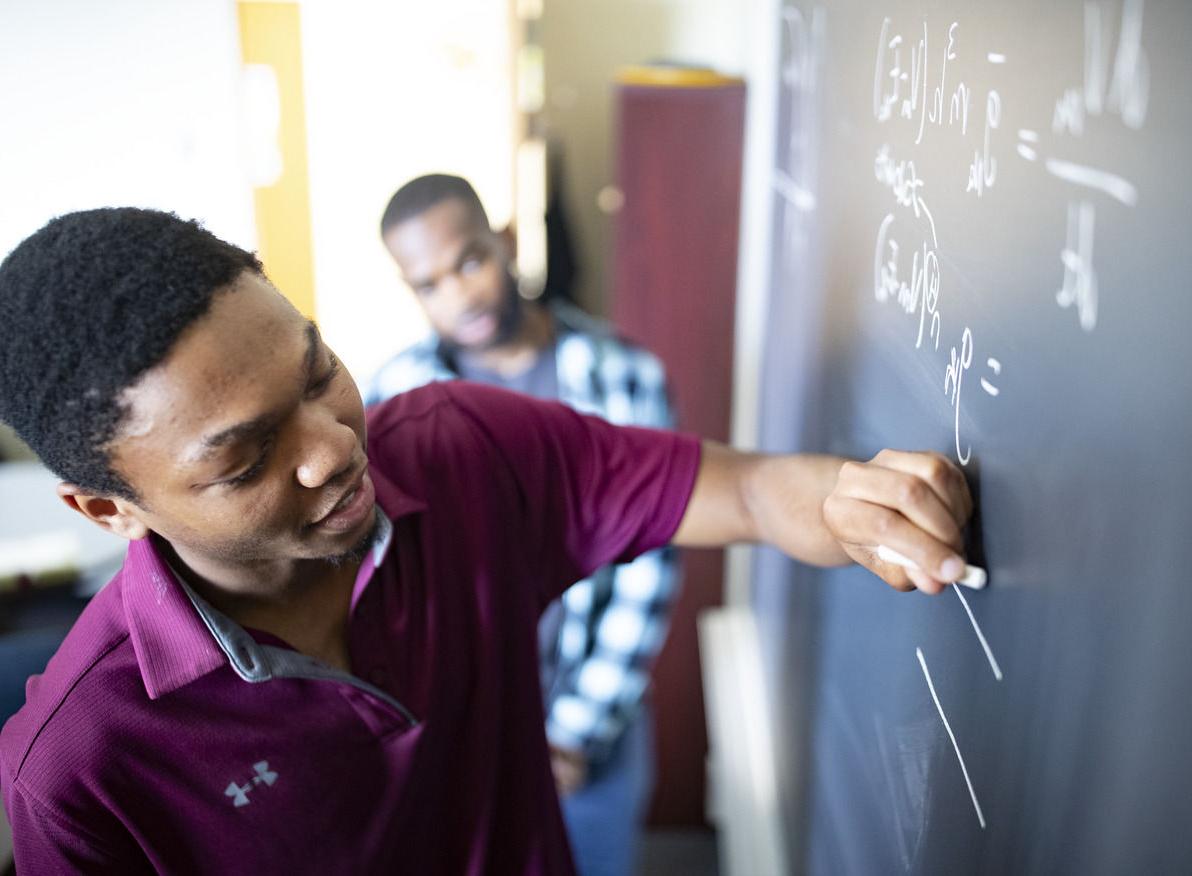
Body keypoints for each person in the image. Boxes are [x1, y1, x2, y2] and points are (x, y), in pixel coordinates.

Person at [0, 208, 973, 874]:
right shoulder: (78, 770)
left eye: (316, 373)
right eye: (246, 458)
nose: (335, 449)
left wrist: (850, 500)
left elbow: (754, 495)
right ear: (106, 509)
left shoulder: (458, 446)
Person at [366, 174, 675, 876]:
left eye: (469, 261)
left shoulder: (622, 377)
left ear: (504, 242)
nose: (459, 296)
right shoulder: (391, 396)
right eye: (429, 284)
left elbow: (649, 564)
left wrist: (570, 735)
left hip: (591, 721)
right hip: (454, 729)